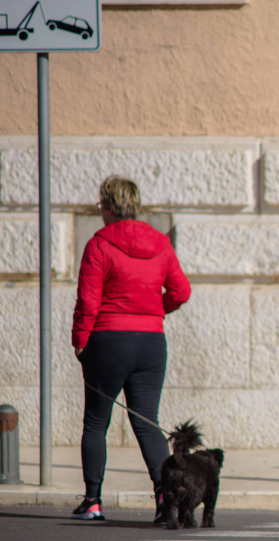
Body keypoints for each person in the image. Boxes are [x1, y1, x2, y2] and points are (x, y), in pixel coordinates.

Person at [71, 176, 191, 521]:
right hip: (151, 343)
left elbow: (88, 302)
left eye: (100, 207)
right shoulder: (161, 243)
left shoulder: (99, 244)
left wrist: (80, 341)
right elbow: (181, 292)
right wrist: (154, 311)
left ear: (108, 208)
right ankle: (163, 501)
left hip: (109, 341)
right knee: (147, 421)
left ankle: (92, 501)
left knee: (96, 422)